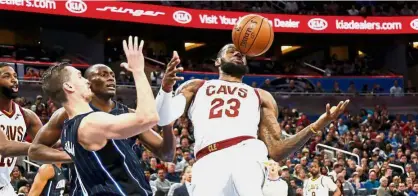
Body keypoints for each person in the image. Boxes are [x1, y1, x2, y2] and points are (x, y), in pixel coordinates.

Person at [155, 44, 350, 196]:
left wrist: (315, 127)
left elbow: (277, 150)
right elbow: (164, 117)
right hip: (208, 160)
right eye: (232, 51)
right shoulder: (197, 86)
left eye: (242, 53)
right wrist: (165, 89)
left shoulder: (261, 95)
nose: (239, 54)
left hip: (247, 156)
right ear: (217, 61)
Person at [29, 62, 175, 195]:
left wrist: (168, 123)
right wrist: (71, 157)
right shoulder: (67, 115)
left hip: (129, 186)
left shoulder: (126, 113)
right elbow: (35, 150)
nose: (111, 78)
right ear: (88, 82)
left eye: (112, 75)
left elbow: (167, 154)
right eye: (103, 75)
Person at [40, 36, 159, 196]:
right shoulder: (91, 122)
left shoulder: (68, 128)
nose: (87, 82)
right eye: (80, 77)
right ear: (68, 86)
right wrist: (138, 70)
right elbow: (148, 117)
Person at [0, 63, 43, 195]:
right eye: (6, 76)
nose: (14, 79)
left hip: (4, 187)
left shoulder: (26, 115)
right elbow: (4, 147)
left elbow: (48, 142)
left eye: (15, 76)